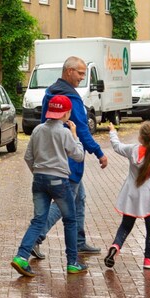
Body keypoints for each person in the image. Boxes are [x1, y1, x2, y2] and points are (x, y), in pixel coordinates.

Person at [29, 56, 109, 261]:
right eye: (80, 73)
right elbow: (82, 129)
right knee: (63, 204)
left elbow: (44, 123)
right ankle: (34, 239)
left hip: (53, 155)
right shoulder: (70, 98)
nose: (82, 77)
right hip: (69, 161)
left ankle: (79, 241)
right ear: (69, 71)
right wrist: (98, 152)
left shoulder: (51, 92)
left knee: (79, 198)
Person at [11, 95, 88, 277]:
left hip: (38, 179)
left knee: (38, 220)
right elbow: (79, 156)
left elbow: (28, 157)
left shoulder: (37, 130)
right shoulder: (64, 132)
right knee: (70, 220)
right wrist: (75, 135)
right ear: (66, 114)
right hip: (59, 181)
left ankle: (21, 256)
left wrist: (38, 172)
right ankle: (72, 263)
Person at [103, 121, 150, 270]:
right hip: (149, 198)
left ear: (140, 137)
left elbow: (117, 146)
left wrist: (112, 131)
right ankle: (148, 258)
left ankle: (116, 246)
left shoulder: (132, 150)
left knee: (126, 225)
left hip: (131, 194)